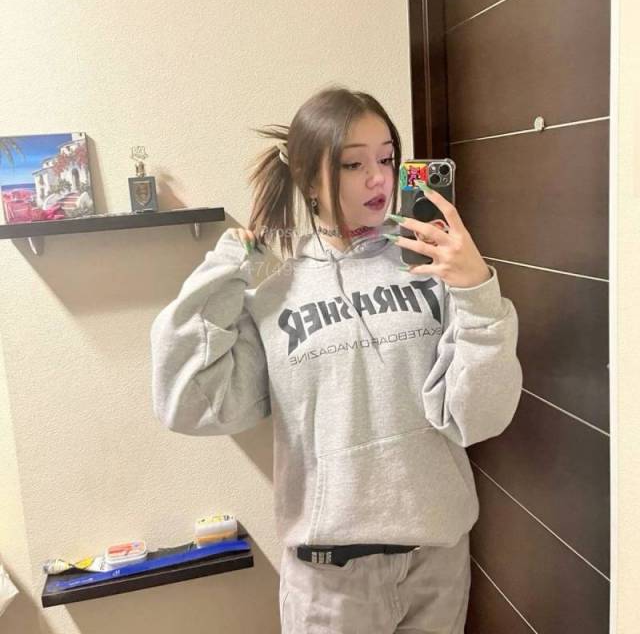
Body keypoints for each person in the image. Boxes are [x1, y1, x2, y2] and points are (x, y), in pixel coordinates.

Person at [150, 85, 523, 634]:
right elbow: (188, 403)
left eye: (387, 159)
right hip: (328, 582)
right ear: (309, 178)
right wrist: (231, 260)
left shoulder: (431, 268)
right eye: (354, 164)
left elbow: (478, 417)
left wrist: (476, 290)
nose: (379, 179)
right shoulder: (274, 286)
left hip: (436, 564)